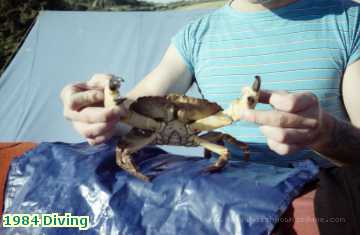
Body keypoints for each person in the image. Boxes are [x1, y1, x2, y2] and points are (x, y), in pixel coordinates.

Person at [60, 0, 360, 167]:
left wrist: (326, 133)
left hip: (322, 213)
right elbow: (128, 117)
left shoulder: (350, 22)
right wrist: (99, 110)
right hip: (223, 213)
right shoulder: (195, 36)